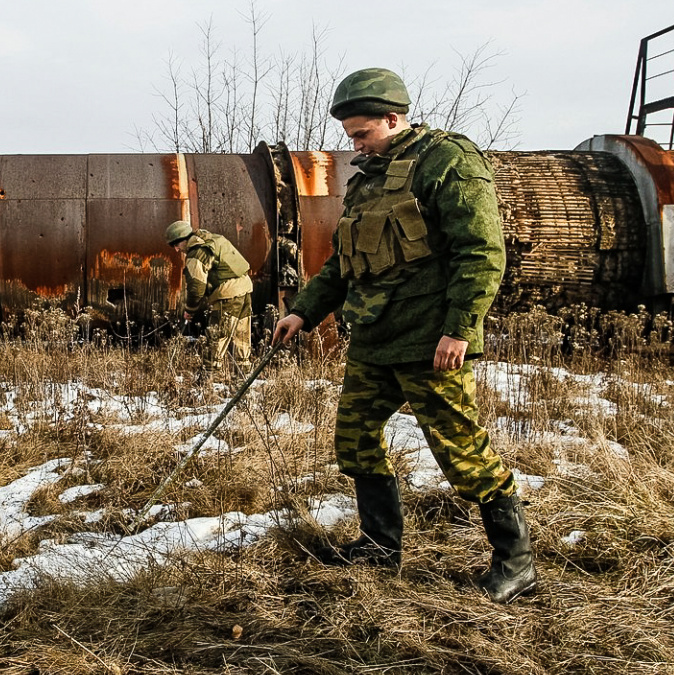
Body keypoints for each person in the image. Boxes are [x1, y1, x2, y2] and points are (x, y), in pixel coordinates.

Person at [270, 67, 536, 604]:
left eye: (362, 133)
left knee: (460, 450)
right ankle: (378, 547)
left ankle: (516, 562)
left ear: (394, 119)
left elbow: (482, 252)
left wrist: (460, 328)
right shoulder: (368, 178)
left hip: (429, 340)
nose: (354, 145)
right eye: (350, 136)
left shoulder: (449, 161)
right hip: (375, 335)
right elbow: (346, 264)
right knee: (355, 438)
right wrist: (303, 311)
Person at [165, 220, 254, 378]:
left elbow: (196, 289)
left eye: (176, 244)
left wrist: (189, 310)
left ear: (184, 239)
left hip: (228, 294)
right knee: (241, 337)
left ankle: (209, 382)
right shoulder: (212, 238)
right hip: (244, 289)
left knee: (217, 336)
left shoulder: (196, 253)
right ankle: (243, 379)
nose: (176, 249)